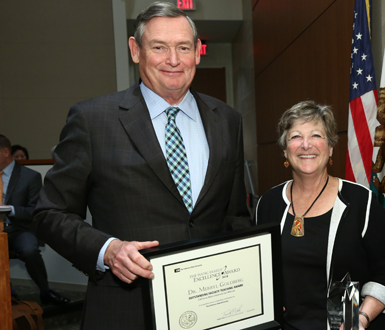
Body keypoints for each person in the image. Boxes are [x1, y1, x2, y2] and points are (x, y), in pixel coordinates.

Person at [33, 2, 250, 329]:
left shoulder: (227, 120)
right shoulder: (93, 120)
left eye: (183, 47)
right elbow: (49, 213)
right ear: (136, 51)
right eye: (159, 47)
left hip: (213, 307)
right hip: (126, 306)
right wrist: (108, 250)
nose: (173, 60)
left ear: (198, 53)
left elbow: (235, 216)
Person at [255, 101, 385, 329]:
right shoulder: (268, 203)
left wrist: (358, 318)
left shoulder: (361, 202)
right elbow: (261, 268)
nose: (305, 144)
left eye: (316, 135)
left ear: (330, 147)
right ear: (284, 149)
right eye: (295, 137)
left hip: (346, 323)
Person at [0, 135, 70, 305]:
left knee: (29, 250)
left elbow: (35, 210)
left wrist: (10, 209)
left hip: (19, 228)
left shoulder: (29, 176)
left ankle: (45, 291)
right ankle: (9, 292)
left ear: (5, 152)